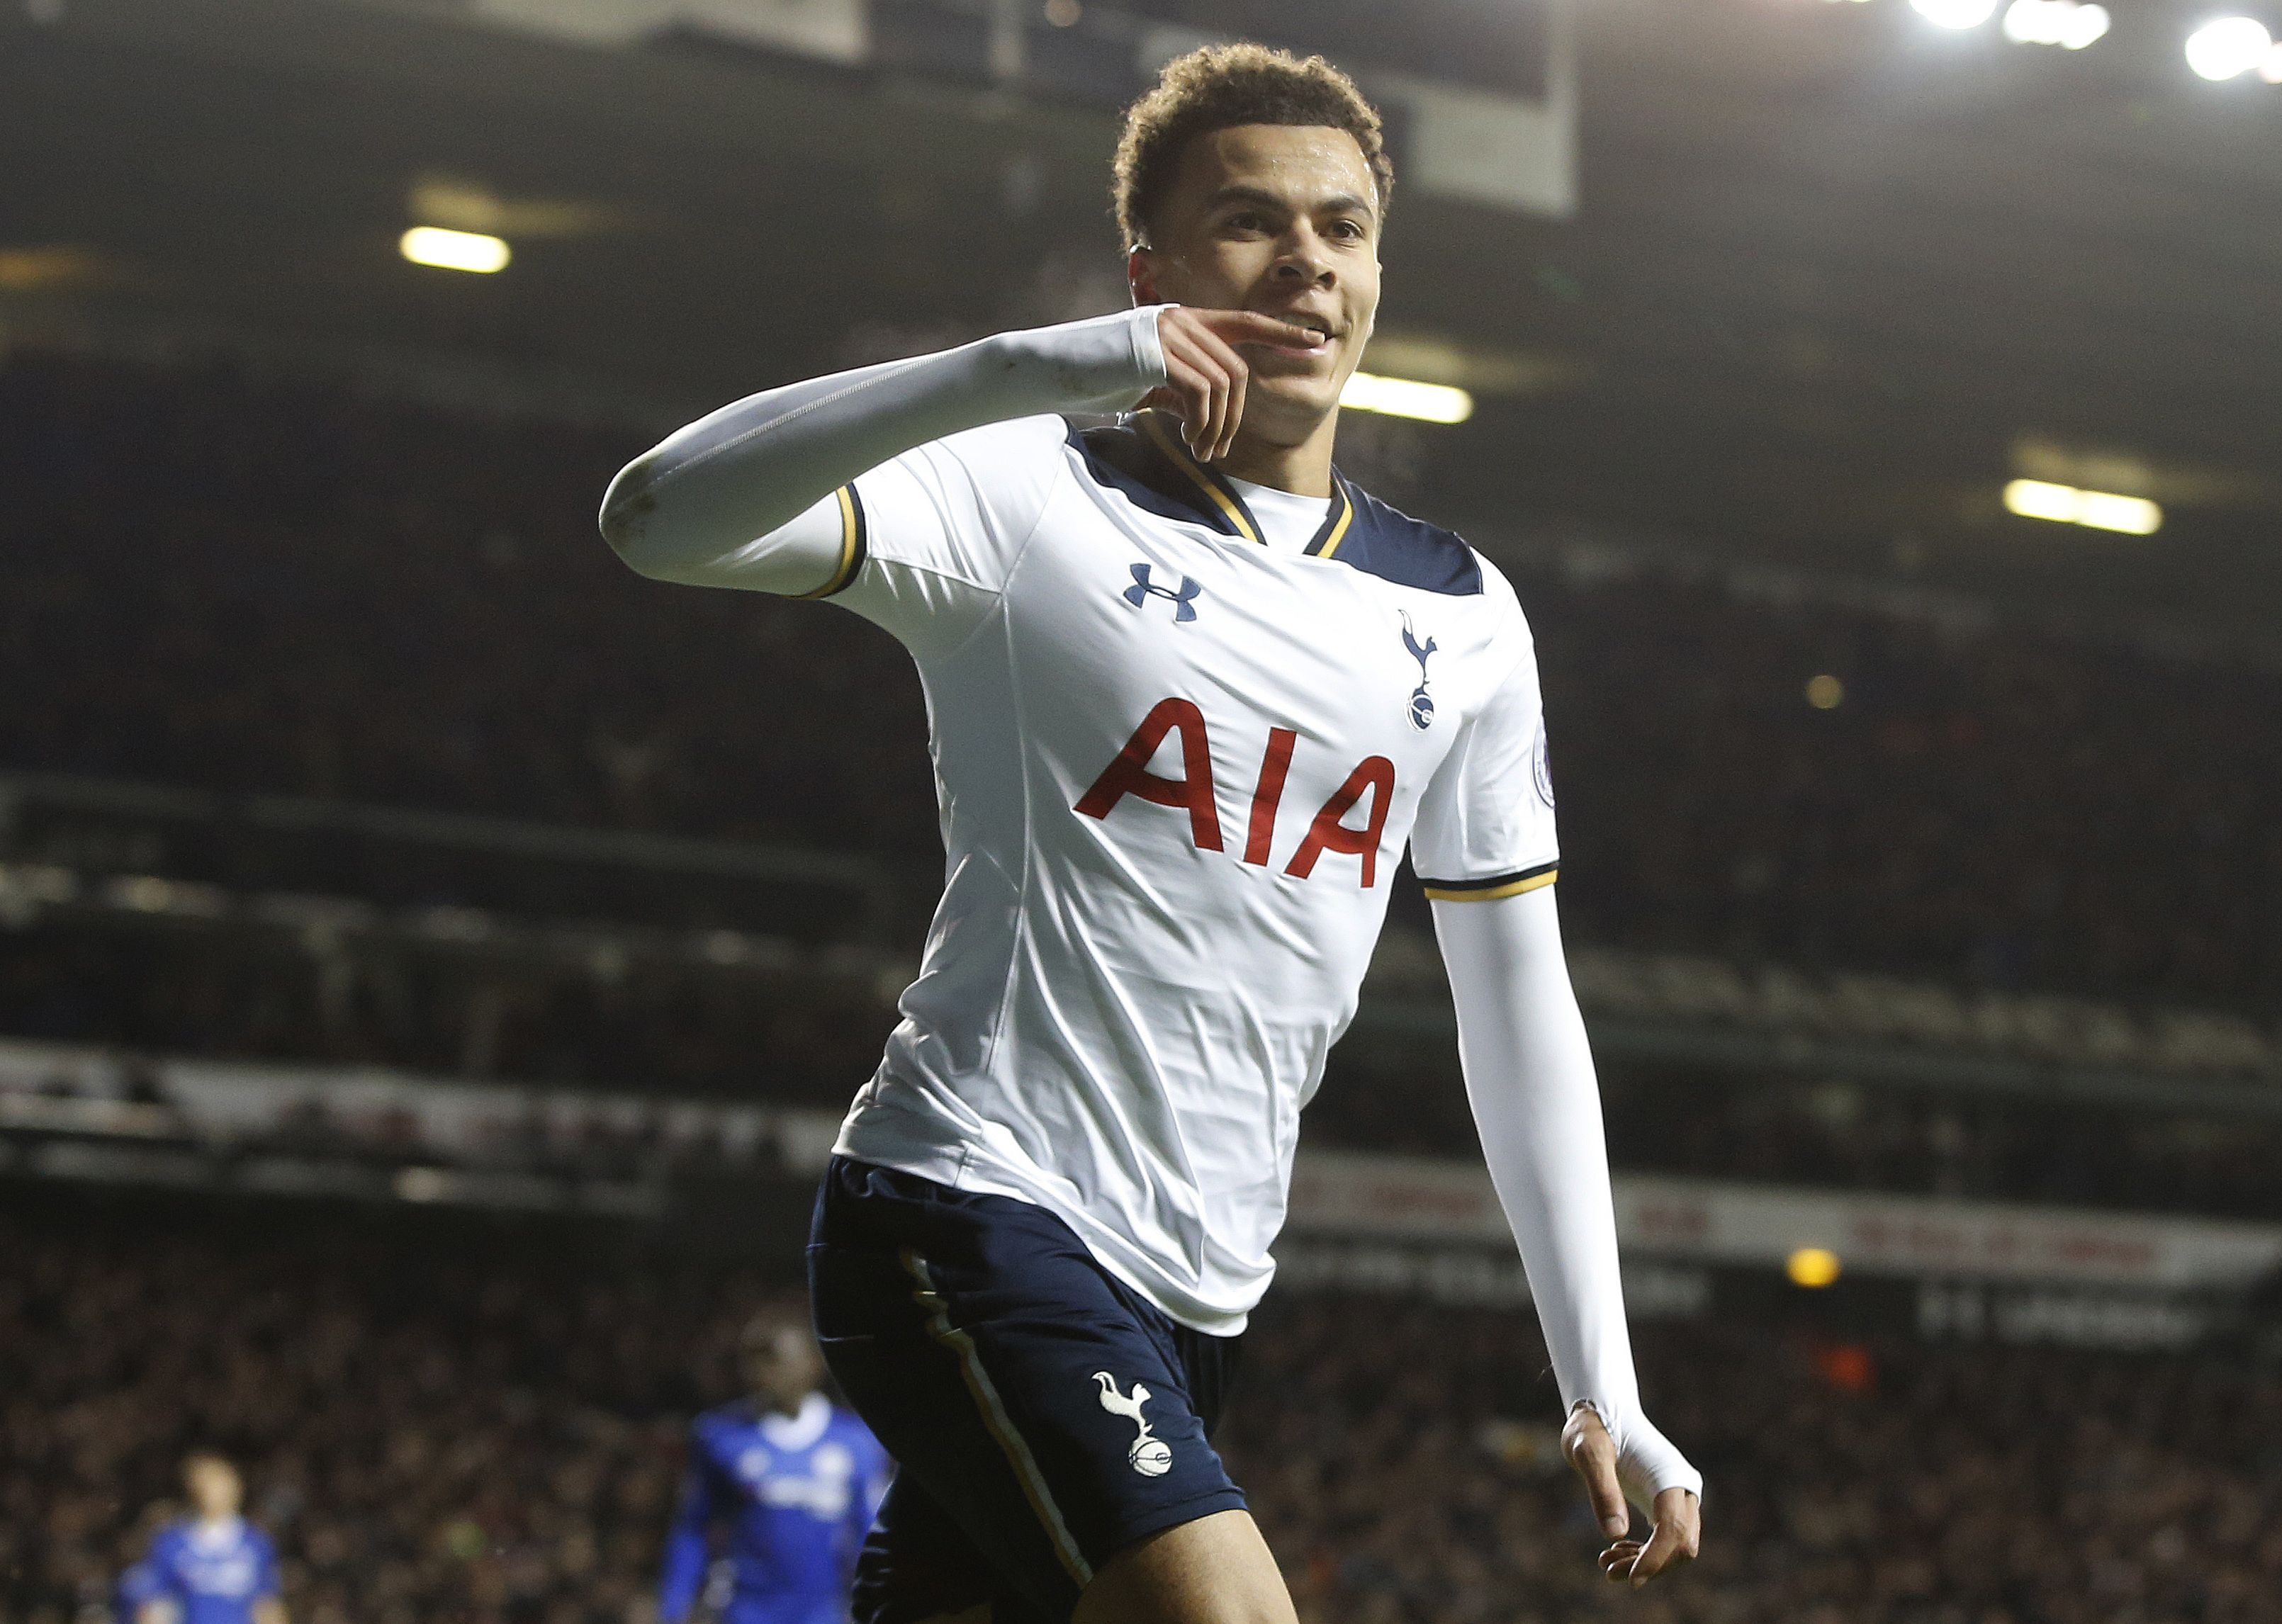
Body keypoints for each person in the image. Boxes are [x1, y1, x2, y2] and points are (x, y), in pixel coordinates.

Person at [602, 42, 1702, 1624]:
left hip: (1203, 1295)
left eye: (1341, 226)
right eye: (1251, 221)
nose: (1304, 260)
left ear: (1379, 271)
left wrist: (1600, 1376)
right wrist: (1031, 368)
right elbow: (657, 518)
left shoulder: (1462, 615)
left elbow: (1518, 997)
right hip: (969, 1208)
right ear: (1154, 269)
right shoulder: (1023, 501)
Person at [661, 1305, 893, 1624]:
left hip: (822, 1614)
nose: (761, 1371)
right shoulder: (720, 1437)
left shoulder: (856, 1442)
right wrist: (674, 1607)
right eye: (752, 1360)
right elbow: (693, 1527)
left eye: (773, 1359)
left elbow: (870, 1531)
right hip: (744, 1611)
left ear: (812, 1364)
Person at [135, 1453, 286, 1624]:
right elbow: (156, 1604)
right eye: (208, 1486)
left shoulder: (256, 1544)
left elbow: (267, 1605)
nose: (215, 1494)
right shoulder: (171, 1544)